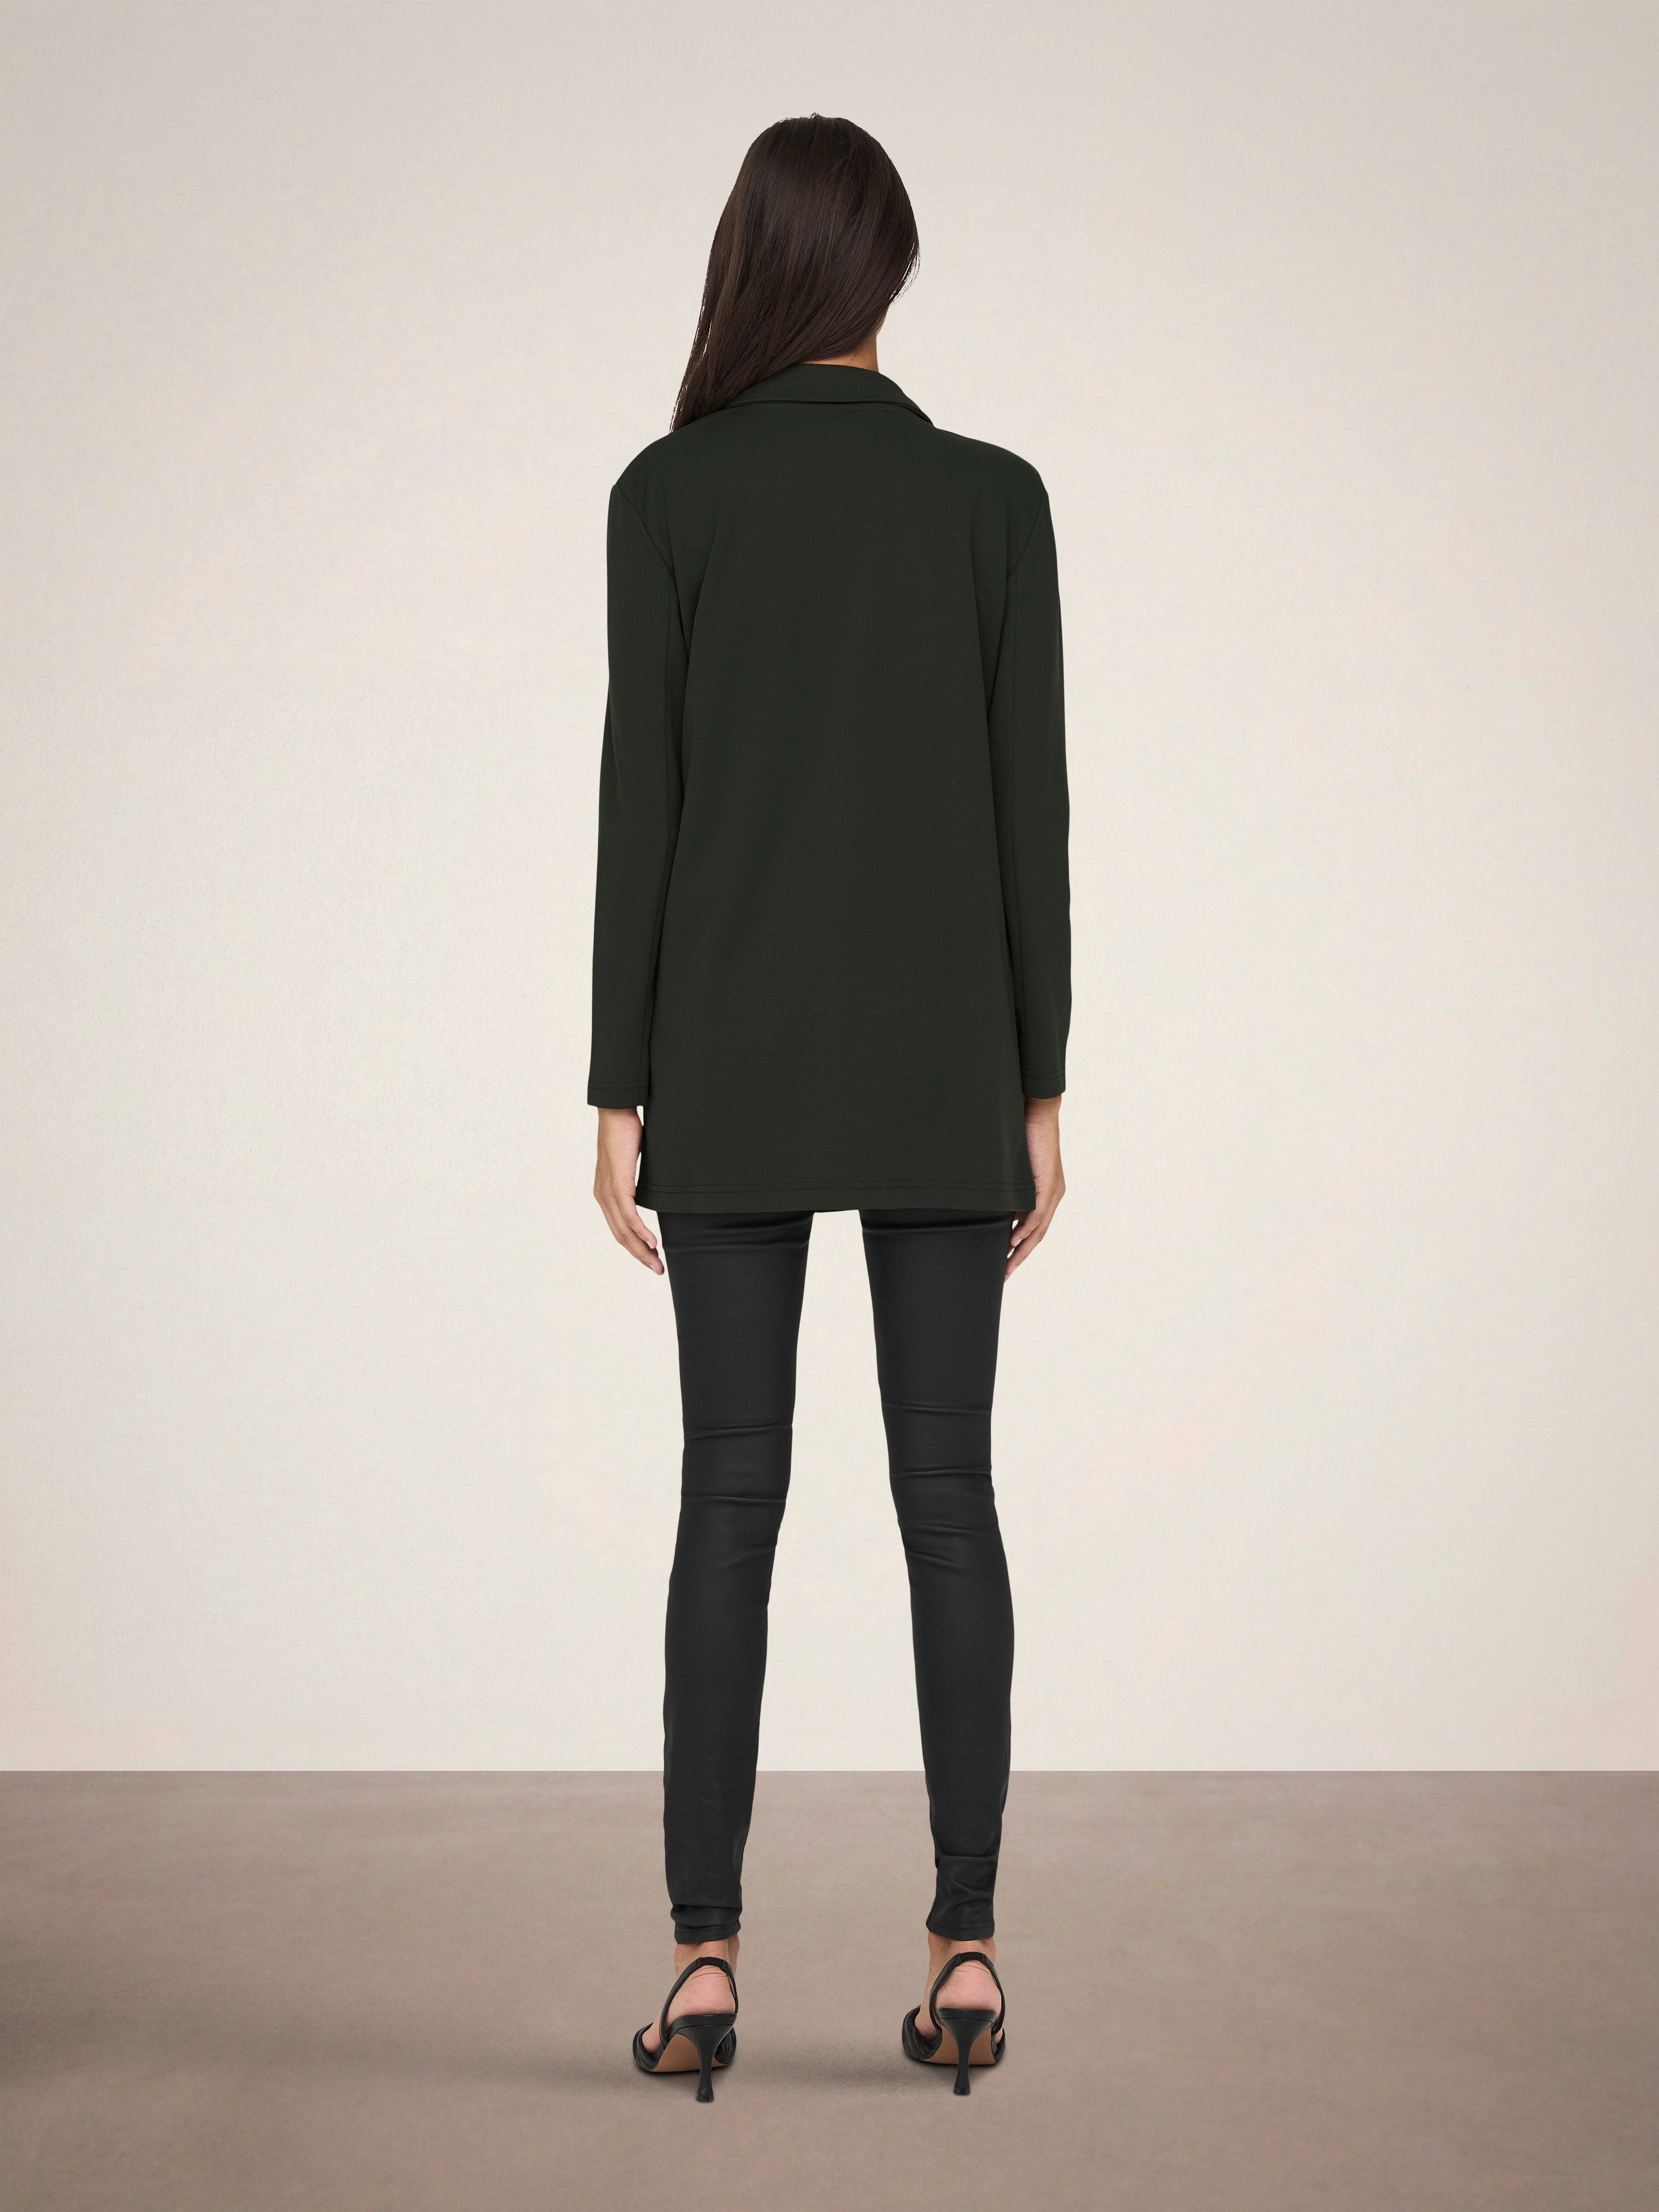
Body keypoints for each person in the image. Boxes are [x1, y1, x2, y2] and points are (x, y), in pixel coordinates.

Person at [589, 113, 1070, 2102]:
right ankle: (966, 1946)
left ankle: (702, 1963)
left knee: (728, 1495)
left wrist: (618, 1085)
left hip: (730, 1059)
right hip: (944, 1059)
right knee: (947, 1495)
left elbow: (643, 802)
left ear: (753, 265)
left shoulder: (667, 495)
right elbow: (1030, 812)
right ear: (886, 273)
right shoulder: (991, 500)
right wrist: (1038, 1080)